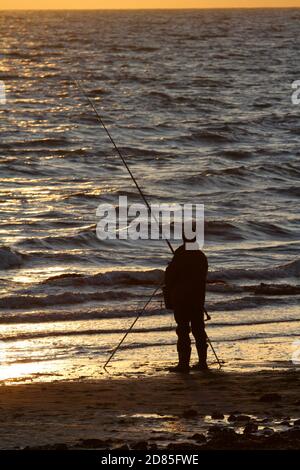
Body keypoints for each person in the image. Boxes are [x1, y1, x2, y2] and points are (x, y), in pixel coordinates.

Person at [164, 232, 208, 373]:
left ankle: (184, 364)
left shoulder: (180, 254)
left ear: (184, 238)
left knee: (183, 329)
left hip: (182, 298)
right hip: (197, 298)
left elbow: (170, 276)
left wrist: (169, 269)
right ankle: (202, 363)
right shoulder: (201, 256)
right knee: (198, 330)